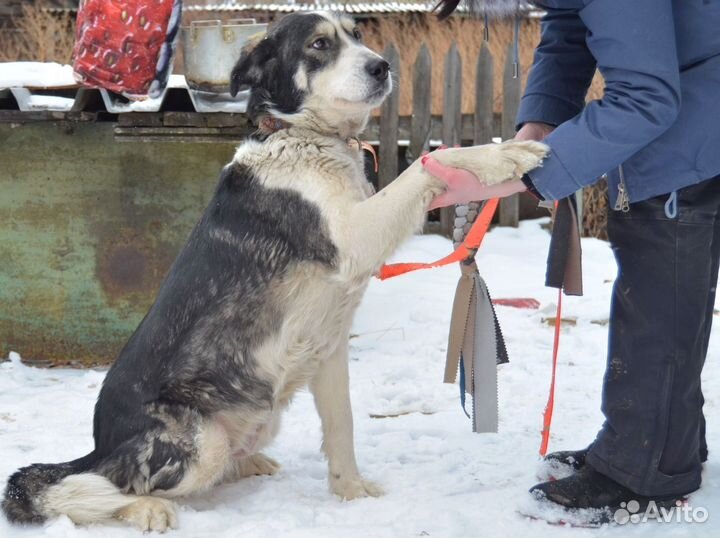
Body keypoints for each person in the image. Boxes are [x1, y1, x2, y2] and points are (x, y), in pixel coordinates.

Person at [425, 0, 720, 520]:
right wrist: (539, 123)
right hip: (699, 104)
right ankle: (663, 445)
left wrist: (524, 176)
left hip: (695, 121)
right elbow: (570, 24)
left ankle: (643, 470)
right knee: (669, 292)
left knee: (658, 289)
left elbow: (646, 98)